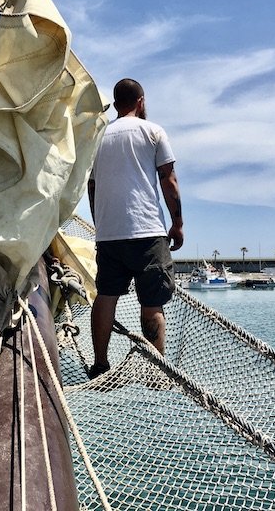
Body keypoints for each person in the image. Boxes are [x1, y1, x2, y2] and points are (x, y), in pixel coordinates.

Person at [86, 78, 184, 378]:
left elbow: (92, 186)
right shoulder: (153, 131)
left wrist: (100, 222)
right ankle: (157, 372)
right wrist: (177, 223)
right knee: (152, 301)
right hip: (146, 231)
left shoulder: (97, 137)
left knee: (106, 296)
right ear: (141, 101)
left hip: (109, 235)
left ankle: (100, 365)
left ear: (116, 105)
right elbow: (168, 180)